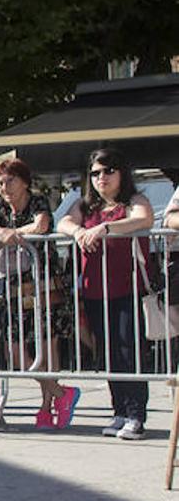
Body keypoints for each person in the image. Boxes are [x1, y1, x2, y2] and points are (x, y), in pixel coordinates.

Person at [0, 158, 80, 430]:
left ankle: (46, 407)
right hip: (14, 287)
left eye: (10, 181)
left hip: (44, 283)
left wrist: (12, 234)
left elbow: (41, 225)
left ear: (24, 182)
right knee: (15, 350)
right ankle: (61, 394)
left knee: (48, 345)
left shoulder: (37, 200)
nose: (4, 187)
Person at [58, 149, 155, 440]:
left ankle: (136, 415)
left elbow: (144, 219)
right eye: (96, 173)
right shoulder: (84, 205)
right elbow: (63, 222)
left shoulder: (134, 201)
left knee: (129, 350)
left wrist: (105, 227)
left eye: (109, 170)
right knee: (108, 352)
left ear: (121, 173)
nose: (102, 177)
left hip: (128, 288)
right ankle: (120, 411)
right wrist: (78, 232)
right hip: (95, 290)